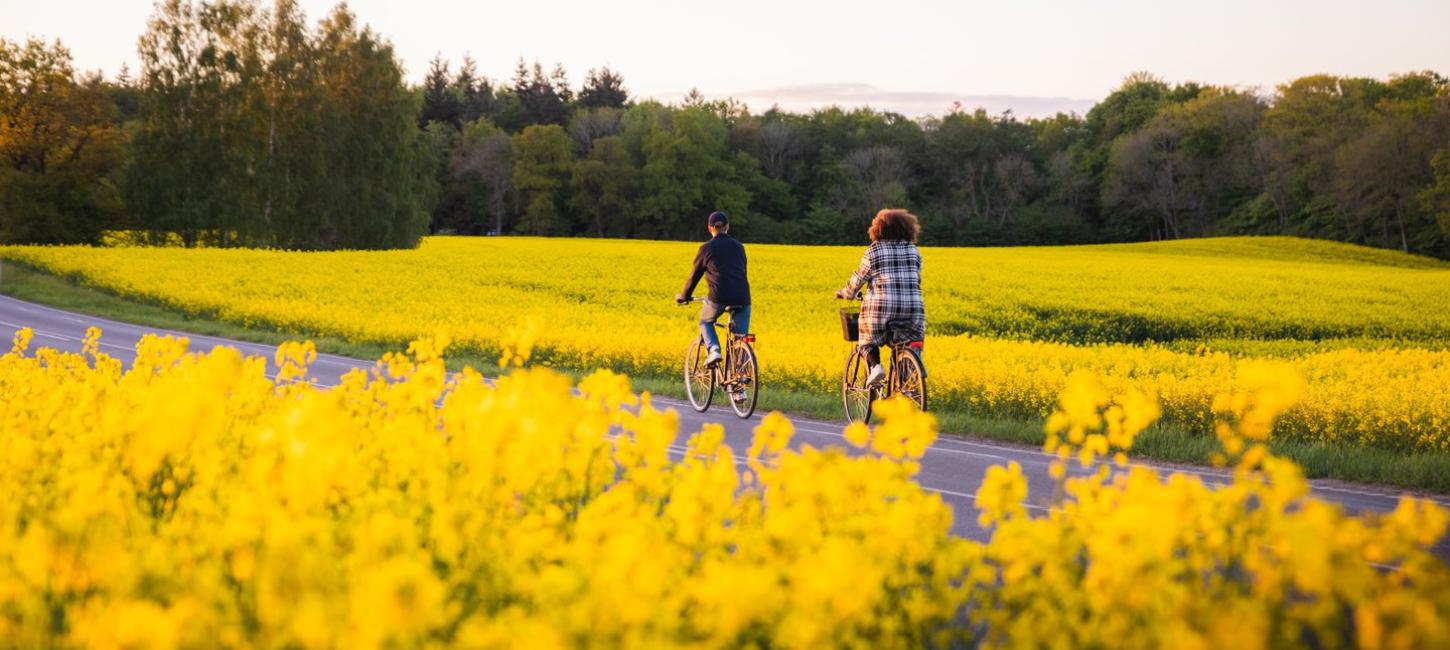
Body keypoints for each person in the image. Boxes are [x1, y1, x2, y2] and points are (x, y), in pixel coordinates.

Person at [835, 209, 925, 386]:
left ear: (878, 229)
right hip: (913, 311)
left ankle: (876, 367)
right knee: (909, 343)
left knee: (866, 340)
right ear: (908, 228)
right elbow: (916, 279)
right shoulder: (914, 251)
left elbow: (857, 280)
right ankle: (908, 385)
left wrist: (845, 293)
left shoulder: (874, 251)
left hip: (881, 310)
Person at [676, 211, 751, 369]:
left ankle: (714, 350)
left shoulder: (706, 248)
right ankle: (740, 385)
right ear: (727, 227)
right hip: (743, 297)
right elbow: (742, 270)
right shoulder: (739, 246)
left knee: (705, 321)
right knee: (740, 338)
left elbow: (694, 276)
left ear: (710, 228)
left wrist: (684, 296)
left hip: (718, 296)